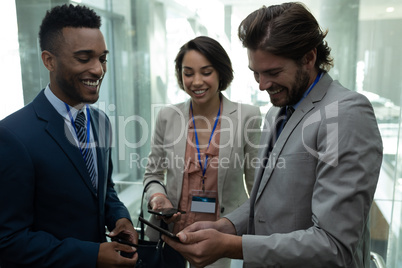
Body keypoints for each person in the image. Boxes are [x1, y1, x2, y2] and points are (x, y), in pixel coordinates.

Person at [163, 3, 383, 268]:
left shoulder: (348, 114)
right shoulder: (275, 113)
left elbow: (333, 246)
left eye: (273, 72)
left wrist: (233, 246)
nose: (262, 85)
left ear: (309, 58)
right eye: (256, 73)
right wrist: (225, 226)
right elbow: (263, 203)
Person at [0, 4, 138, 268]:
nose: (98, 70)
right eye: (84, 58)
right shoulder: (12, 136)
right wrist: (92, 255)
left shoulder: (101, 121)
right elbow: (9, 240)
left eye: (102, 58)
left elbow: (104, 190)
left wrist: (121, 218)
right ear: (49, 60)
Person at [143, 36, 261, 267]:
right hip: (171, 235)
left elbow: (258, 189)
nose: (196, 81)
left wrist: (234, 225)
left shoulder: (247, 116)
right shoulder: (167, 116)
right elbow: (153, 176)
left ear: (220, 73)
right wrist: (158, 197)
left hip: (220, 237)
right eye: (188, 73)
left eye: (206, 72)